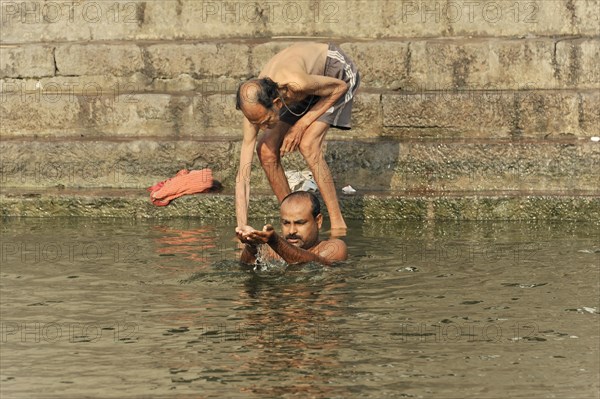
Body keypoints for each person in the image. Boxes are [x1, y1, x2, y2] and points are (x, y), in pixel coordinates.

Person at [235, 42, 360, 232]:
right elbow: (243, 176)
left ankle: (338, 225)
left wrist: (300, 126)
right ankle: (294, 219)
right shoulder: (254, 111)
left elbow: (340, 87)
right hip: (298, 93)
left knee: (308, 144)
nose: (261, 128)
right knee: (266, 150)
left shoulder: (296, 83)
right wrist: (241, 226)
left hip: (335, 75)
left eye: (266, 121)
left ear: (277, 104)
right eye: (257, 123)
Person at [236, 191, 347, 266]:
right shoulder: (271, 250)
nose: (291, 231)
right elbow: (246, 269)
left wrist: (275, 241)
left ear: (318, 221)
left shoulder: (335, 247)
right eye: (286, 223)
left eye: (300, 223)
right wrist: (251, 245)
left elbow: (314, 264)